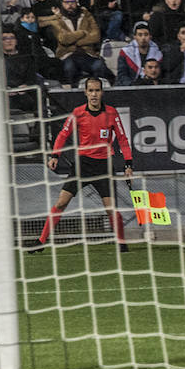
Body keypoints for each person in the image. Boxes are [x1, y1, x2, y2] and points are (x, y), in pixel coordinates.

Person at [30, 78, 133, 253]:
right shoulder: (77, 113)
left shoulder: (111, 113)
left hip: (103, 166)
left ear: (102, 92)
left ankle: (121, 243)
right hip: (82, 165)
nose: (94, 94)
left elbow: (122, 139)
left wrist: (128, 163)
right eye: (91, 91)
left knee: (111, 208)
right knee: (62, 202)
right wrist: (55, 155)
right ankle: (41, 241)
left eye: (97, 90)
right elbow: (63, 134)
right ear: (85, 92)